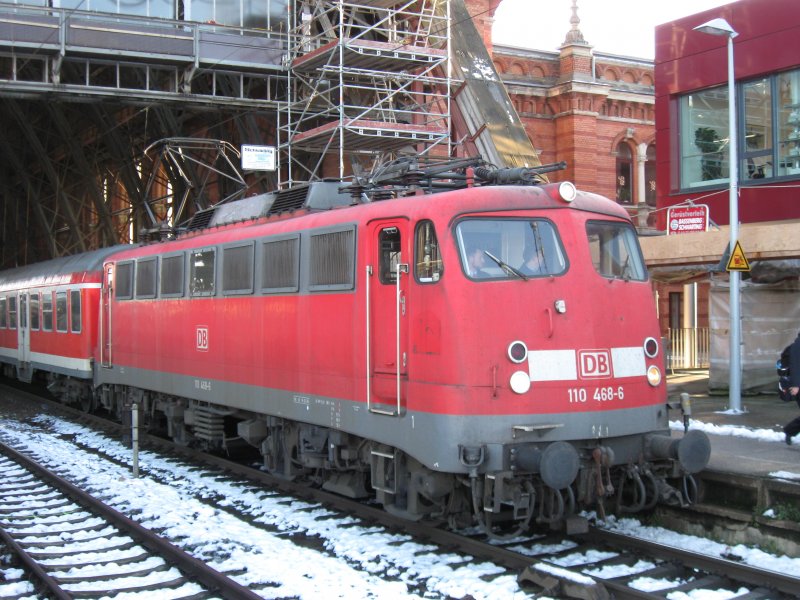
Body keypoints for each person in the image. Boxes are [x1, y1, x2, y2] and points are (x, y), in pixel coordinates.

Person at [783, 331, 800, 445]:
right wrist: (796, 385)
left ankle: (789, 430)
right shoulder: (797, 346)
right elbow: (795, 366)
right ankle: (789, 430)